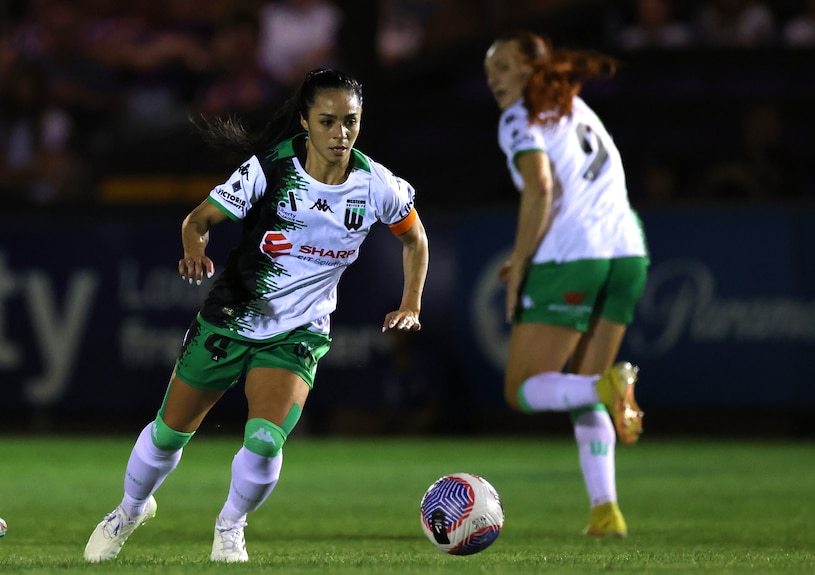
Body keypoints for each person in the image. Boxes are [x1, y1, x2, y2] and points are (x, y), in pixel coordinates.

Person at [83, 68, 429, 563]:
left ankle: (230, 526)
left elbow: (415, 238)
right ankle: (130, 509)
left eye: (350, 121)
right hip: (233, 317)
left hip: (299, 333)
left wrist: (411, 302)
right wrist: (193, 250)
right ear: (305, 123)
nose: (341, 133)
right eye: (328, 121)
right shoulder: (269, 170)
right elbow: (198, 219)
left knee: (266, 441)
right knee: (168, 434)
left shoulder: (377, 186)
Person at [483, 31, 649, 537]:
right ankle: (606, 513)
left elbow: (541, 186)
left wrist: (519, 264)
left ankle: (608, 384)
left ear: (534, 69)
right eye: (489, 72)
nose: (494, 80)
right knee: (579, 391)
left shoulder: (519, 118)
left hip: (575, 256)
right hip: (628, 254)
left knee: (523, 389)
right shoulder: (578, 110)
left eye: (504, 67)